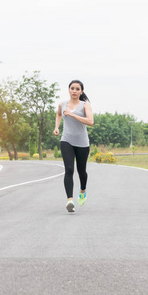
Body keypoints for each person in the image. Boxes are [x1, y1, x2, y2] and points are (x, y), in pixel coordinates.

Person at [53, 80, 94, 212]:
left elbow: (90, 121)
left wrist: (72, 114)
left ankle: (82, 190)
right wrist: (56, 128)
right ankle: (70, 200)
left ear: (81, 91)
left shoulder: (85, 105)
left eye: (77, 89)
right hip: (67, 140)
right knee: (69, 169)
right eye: (72, 88)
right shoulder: (62, 104)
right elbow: (59, 114)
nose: (74, 91)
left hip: (82, 143)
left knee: (81, 171)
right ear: (69, 90)